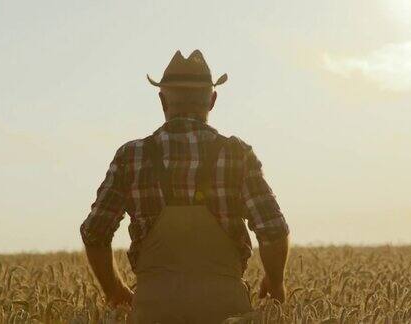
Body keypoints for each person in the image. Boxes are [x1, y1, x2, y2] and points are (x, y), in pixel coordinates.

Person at [80, 49, 290, 323]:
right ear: (212, 100)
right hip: (226, 311)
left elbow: (95, 233)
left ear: (162, 100)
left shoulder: (130, 156)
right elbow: (273, 231)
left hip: (152, 311)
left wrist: (115, 290)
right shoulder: (238, 154)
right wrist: (275, 283)